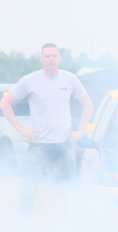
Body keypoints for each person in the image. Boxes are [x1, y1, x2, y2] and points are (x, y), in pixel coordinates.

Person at [0, 42, 93, 215]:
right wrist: (21, 129)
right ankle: (22, 225)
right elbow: (5, 103)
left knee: (71, 190)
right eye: (47, 56)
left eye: (54, 56)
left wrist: (80, 131)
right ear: (42, 59)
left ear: (60, 58)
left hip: (65, 145)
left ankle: (74, 225)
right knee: (30, 190)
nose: (51, 59)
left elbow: (88, 104)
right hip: (39, 146)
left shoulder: (70, 79)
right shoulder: (29, 80)